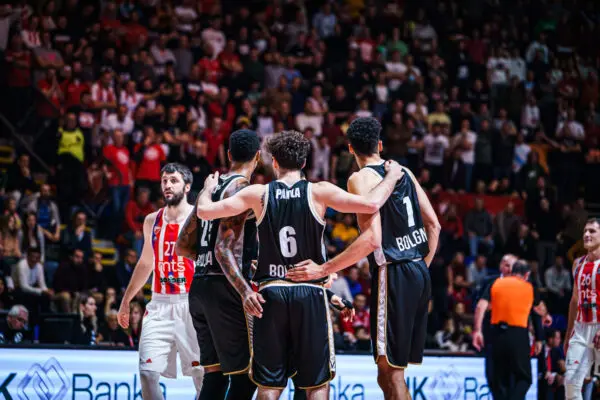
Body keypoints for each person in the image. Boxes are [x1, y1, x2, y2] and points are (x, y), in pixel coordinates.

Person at [197, 130, 403, 399]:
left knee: (269, 386)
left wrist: (207, 190)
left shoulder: (258, 193)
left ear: (274, 162)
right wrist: (392, 175)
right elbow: (372, 203)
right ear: (305, 162)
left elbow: (204, 211)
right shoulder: (319, 191)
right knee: (316, 384)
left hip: (271, 294)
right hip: (310, 293)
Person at [286, 117, 441, 399]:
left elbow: (372, 239)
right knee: (387, 372)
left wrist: (323, 269)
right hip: (419, 270)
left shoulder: (359, 178)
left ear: (350, 148)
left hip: (393, 271)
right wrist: (419, 268)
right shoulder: (404, 171)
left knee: (392, 373)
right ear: (380, 145)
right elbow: (434, 226)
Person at [176, 129, 262, 400]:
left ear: (228, 154)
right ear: (258, 157)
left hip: (200, 287)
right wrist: (245, 290)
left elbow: (182, 245)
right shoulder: (242, 190)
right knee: (246, 376)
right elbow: (223, 249)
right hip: (226, 290)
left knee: (214, 377)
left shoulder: (210, 189)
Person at [117, 163, 203, 400]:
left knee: (203, 378)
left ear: (187, 186)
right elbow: (146, 263)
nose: (167, 185)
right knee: (147, 373)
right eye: (164, 180)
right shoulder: (151, 221)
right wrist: (125, 301)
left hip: (192, 303)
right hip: (159, 304)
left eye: (174, 180)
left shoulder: (200, 218)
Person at [473, 260, 544, 399]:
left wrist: (477, 331)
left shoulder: (496, 283)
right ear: (527, 274)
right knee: (524, 378)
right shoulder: (529, 287)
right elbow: (538, 312)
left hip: (496, 334)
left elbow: (480, 306)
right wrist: (539, 338)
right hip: (518, 334)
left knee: (499, 379)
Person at [564, 218, 600, 400]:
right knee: (571, 382)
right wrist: (568, 334)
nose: (586, 234)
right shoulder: (577, 264)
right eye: (585, 231)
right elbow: (574, 300)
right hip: (580, 329)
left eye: (592, 231)